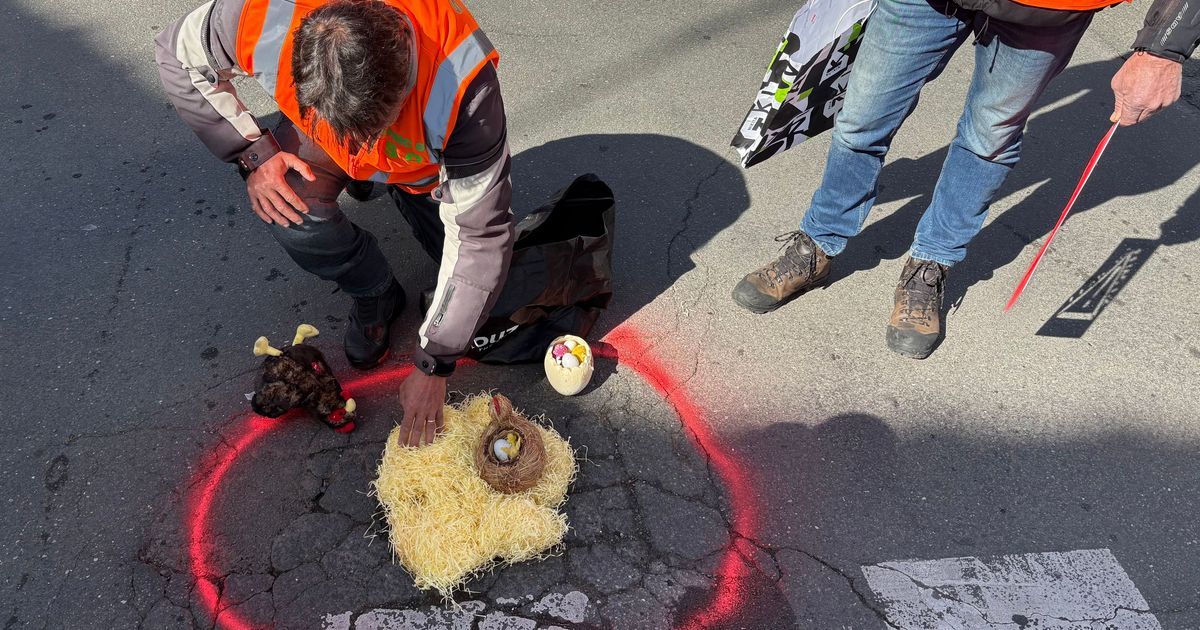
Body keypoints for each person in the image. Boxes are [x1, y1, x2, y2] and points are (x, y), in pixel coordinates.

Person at [731, 0, 1198, 359]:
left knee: (988, 139)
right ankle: (818, 243)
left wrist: (1164, 48)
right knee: (860, 119)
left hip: (1046, 13)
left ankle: (931, 263)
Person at [156, 0, 513, 445]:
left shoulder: (464, 86)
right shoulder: (266, 16)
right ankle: (375, 291)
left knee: (488, 296)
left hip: (425, 170)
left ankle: (409, 192)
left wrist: (434, 362)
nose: (360, 149)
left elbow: (481, 236)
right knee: (287, 204)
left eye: (373, 129)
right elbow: (176, 52)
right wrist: (252, 154)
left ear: (405, 64)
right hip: (322, 135)